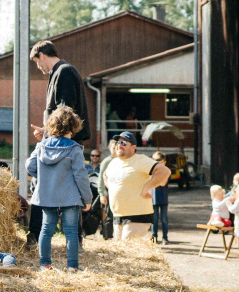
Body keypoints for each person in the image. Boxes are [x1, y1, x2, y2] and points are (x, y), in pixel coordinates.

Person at [26, 105, 93, 271]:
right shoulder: (74, 148)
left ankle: (45, 265)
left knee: (46, 229)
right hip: (70, 197)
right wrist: (87, 198)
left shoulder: (42, 146)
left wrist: (44, 176)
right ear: (73, 126)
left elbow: (30, 166)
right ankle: (72, 267)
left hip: (47, 195)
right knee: (70, 232)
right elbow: (81, 176)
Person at [101, 131, 171, 241]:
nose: (119, 145)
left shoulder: (140, 160)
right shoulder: (114, 162)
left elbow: (164, 171)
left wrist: (146, 188)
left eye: (124, 143)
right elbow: (106, 177)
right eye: (118, 142)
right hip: (118, 216)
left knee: (127, 248)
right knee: (120, 249)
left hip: (137, 215)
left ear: (133, 147)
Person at [29, 40, 91, 144]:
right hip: (64, 141)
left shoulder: (64, 71)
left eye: (36, 61)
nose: (38, 66)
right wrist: (47, 131)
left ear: (41, 55)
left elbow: (65, 113)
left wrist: (49, 134)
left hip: (65, 143)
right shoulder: (59, 72)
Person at [150, 151, 171, 245]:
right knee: (154, 220)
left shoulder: (166, 172)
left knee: (164, 219)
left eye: (161, 162)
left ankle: (165, 237)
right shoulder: (151, 172)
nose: (159, 164)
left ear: (164, 162)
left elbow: (163, 183)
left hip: (163, 198)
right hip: (153, 199)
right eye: (157, 162)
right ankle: (154, 237)